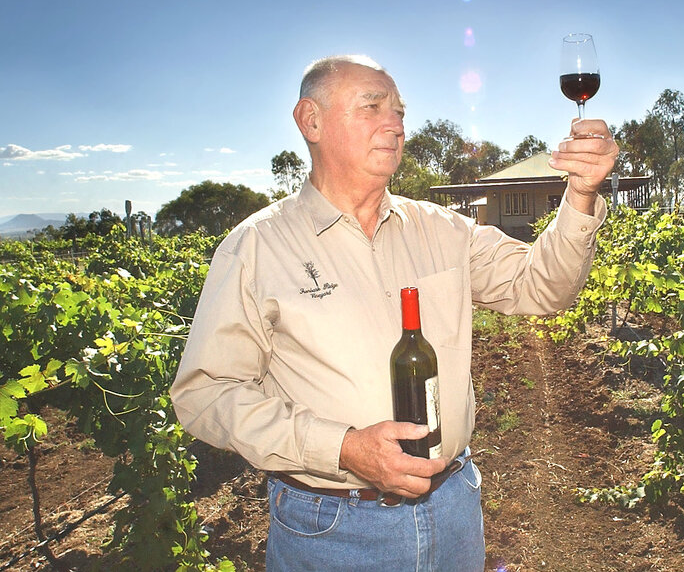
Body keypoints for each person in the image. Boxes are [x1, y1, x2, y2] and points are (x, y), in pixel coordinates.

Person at [170, 54, 618, 571]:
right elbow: (206, 393)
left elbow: (542, 287)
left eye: (400, 112)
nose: (396, 125)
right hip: (331, 528)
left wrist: (580, 194)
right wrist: (342, 448)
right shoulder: (256, 247)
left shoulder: (443, 230)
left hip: (452, 507)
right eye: (372, 106)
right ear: (310, 120)